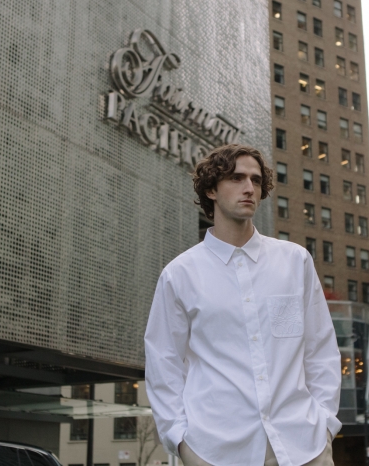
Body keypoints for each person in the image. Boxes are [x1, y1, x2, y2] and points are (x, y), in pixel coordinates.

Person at [144, 144, 342, 466]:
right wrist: (181, 442)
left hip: (304, 447)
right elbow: (163, 365)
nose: (249, 188)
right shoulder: (180, 275)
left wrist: (326, 427)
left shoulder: (295, 262)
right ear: (211, 190)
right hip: (216, 451)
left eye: (256, 180)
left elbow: (321, 350)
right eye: (236, 178)